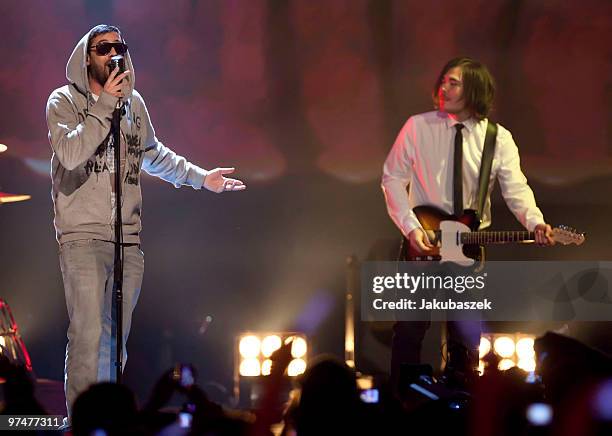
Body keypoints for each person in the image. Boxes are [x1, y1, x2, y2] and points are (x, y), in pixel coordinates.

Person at [46, 24, 246, 420]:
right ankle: (83, 423)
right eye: (103, 48)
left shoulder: (133, 103)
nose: (113, 54)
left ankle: (107, 420)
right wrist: (104, 104)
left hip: (127, 241)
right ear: (87, 55)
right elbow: (70, 153)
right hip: (82, 237)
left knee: (114, 340)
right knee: (87, 335)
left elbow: (152, 153)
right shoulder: (63, 101)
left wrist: (201, 178)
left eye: (119, 47)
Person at [381, 57, 554, 391]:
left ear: (474, 89)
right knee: (410, 328)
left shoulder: (497, 138)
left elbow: (516, 188)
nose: (443, 87)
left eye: (454, 82)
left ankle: (463, 402)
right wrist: (411, 228)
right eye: (443, 80)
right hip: (424, 241)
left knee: (465, 331)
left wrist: (536, 222)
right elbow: (392, 179)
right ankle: (403, 401)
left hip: (468, 246)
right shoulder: (417, 127)